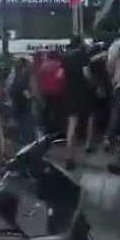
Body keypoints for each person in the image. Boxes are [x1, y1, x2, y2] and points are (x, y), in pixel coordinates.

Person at [64, 36, 89, 169]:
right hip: (80, 92)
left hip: (68, 92)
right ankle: (71, 156)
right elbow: (86, 74)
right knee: (79, 122)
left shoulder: (65, 56)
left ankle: (70, 155)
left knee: (72, 123)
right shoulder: (81, 55)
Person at [7, 58, 36, 145]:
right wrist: (31, 98)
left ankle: (22, 145)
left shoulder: (13, 77)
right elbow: (25, 91)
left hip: (16, 107)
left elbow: (9, 90)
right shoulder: (23, 77)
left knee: (21, 130)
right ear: (24, 67)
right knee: (28, 131)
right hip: (24, 107)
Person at [37, 52, 66, 134]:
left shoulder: (43, 66)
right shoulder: (59, 65)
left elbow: (39, 79)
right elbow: (61, 78)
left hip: (45, 92)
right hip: (57, 92)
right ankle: (57, 130)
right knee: (57, 112)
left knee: (47, 109)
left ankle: (47, 129)